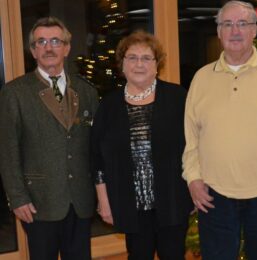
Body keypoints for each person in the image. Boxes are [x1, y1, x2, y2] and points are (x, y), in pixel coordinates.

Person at [182, 1, 257, 259]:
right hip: (213, 195)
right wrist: (192, 177)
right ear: (218, 31)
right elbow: (191, 136)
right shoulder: (202, 78)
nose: (235, 31)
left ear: (254, 30)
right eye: (227, 24)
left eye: (242, 24)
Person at [0, 17, 98, 260]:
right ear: (33, 51)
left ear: (66, 47)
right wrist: (17, 198)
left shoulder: (86, 91)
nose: (48, 47)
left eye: (55, 41)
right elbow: (7, 150)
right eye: (41, 42)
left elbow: (95, 147)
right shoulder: (14, 93)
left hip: (81, 199)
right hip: (38, 202)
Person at [91, 30, 192, 260]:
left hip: (173, 200)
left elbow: (194, 148)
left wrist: (195, 188)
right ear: (122, 64)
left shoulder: (177, 98)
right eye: (132, 58)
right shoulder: (109, 105)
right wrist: (104, 202)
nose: (139, 64)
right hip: (130, 205)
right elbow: (97, 158)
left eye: (146, 58)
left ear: (157, 65)